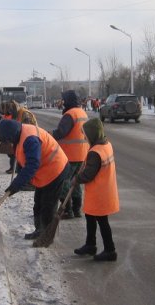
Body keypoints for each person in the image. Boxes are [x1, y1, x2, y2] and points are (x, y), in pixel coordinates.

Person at [0, 119, 71, 240]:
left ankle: (46, 235)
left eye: (6, 140)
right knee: (38, 203)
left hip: (56, 169)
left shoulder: (30, 139)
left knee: (47, 205)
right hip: (45, 171)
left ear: (11, 136)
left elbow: (32, 165)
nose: (7, 142)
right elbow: (23, 161)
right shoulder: (19, 134)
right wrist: (17, 182)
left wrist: (16, 185)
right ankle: (39, 230)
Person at [74, 118, 119, 261]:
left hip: (99, 194)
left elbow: (88, 175)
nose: (84, 138)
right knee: (90, 218)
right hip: (104, 191)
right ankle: (90, 244)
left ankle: (110, 250)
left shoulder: (95, 152)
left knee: (102, 221)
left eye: (85, 135)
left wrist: (77, 178)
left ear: (92, 135)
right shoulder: (106, 144)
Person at [52, 90, 89, 219]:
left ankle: (67, 210)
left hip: (70, 156)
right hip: (82, 154)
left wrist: (49, 135)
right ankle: (77, 209)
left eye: (64, 100)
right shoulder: (82, 112)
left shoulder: (70, 115)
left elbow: (61, 132)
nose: (62, 103)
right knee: (76, 183)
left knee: (64, 182)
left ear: (68, 101)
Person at [0, 100, 37, 174]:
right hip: (21, 136)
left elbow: (29, 128)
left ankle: (22, 171)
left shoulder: (24, 113)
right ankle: (16, 169)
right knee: (15, 153)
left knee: (25, 156)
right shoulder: (15, 113)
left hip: (31, 137)